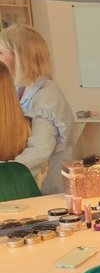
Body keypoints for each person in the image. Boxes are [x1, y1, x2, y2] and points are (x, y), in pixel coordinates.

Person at [0, 24, 73, 194]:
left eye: (0, 53)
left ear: (19, 56)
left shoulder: (48, 95)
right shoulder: (18, 91)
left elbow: (39, 151)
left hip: (47, 189)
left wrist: (7, 173)